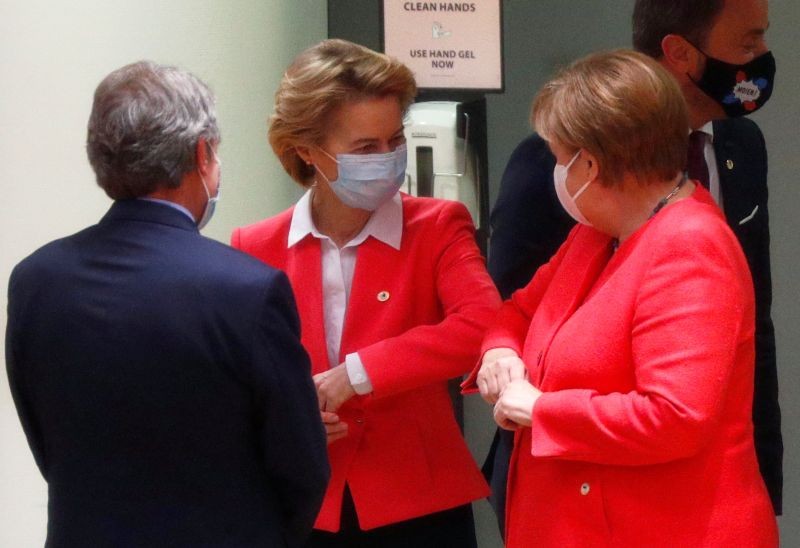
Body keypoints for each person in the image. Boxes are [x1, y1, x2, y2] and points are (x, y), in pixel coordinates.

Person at [484, 0, 782, 531]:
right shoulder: (594, 234)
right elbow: (516, 309)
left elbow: (673, 417)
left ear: (590, 164)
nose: (554, 170)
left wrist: (543, 409)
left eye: (559, 157)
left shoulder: (691, 247)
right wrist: (499, 352)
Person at [5, 61, 329, 547]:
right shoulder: (248, 290)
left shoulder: (35, 279)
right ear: (202, 155)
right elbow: (302, 469)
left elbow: (47, 445)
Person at [230, 39, 500, 547]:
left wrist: (356, 375)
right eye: (365, 148)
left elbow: (483, 325)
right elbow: (237, 380)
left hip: (418, 502)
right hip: (304, 501)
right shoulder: (255, 245)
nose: (388, 158)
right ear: (307, 149)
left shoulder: (438, 225)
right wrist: (286, 415)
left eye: (394, 140)